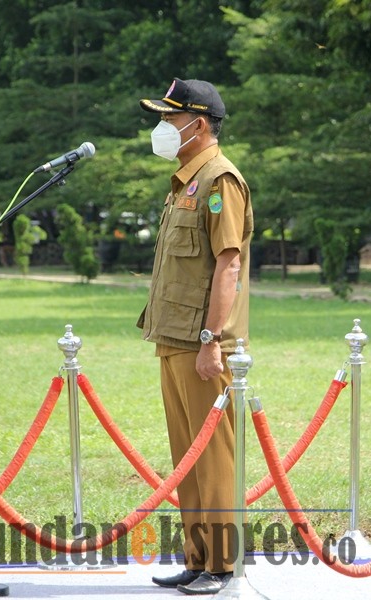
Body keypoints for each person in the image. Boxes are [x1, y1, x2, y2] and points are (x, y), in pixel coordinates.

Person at [137, 78, 253, 596]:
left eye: (169, 118)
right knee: (187, 454)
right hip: (174, 337)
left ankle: (223, 564)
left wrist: (212, 338)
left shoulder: (220, 180)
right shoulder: (186, 181)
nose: (162, 127)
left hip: (203, 342)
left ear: (198, 123)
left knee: (213, 454)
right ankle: (197, 557)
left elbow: (227, 267)